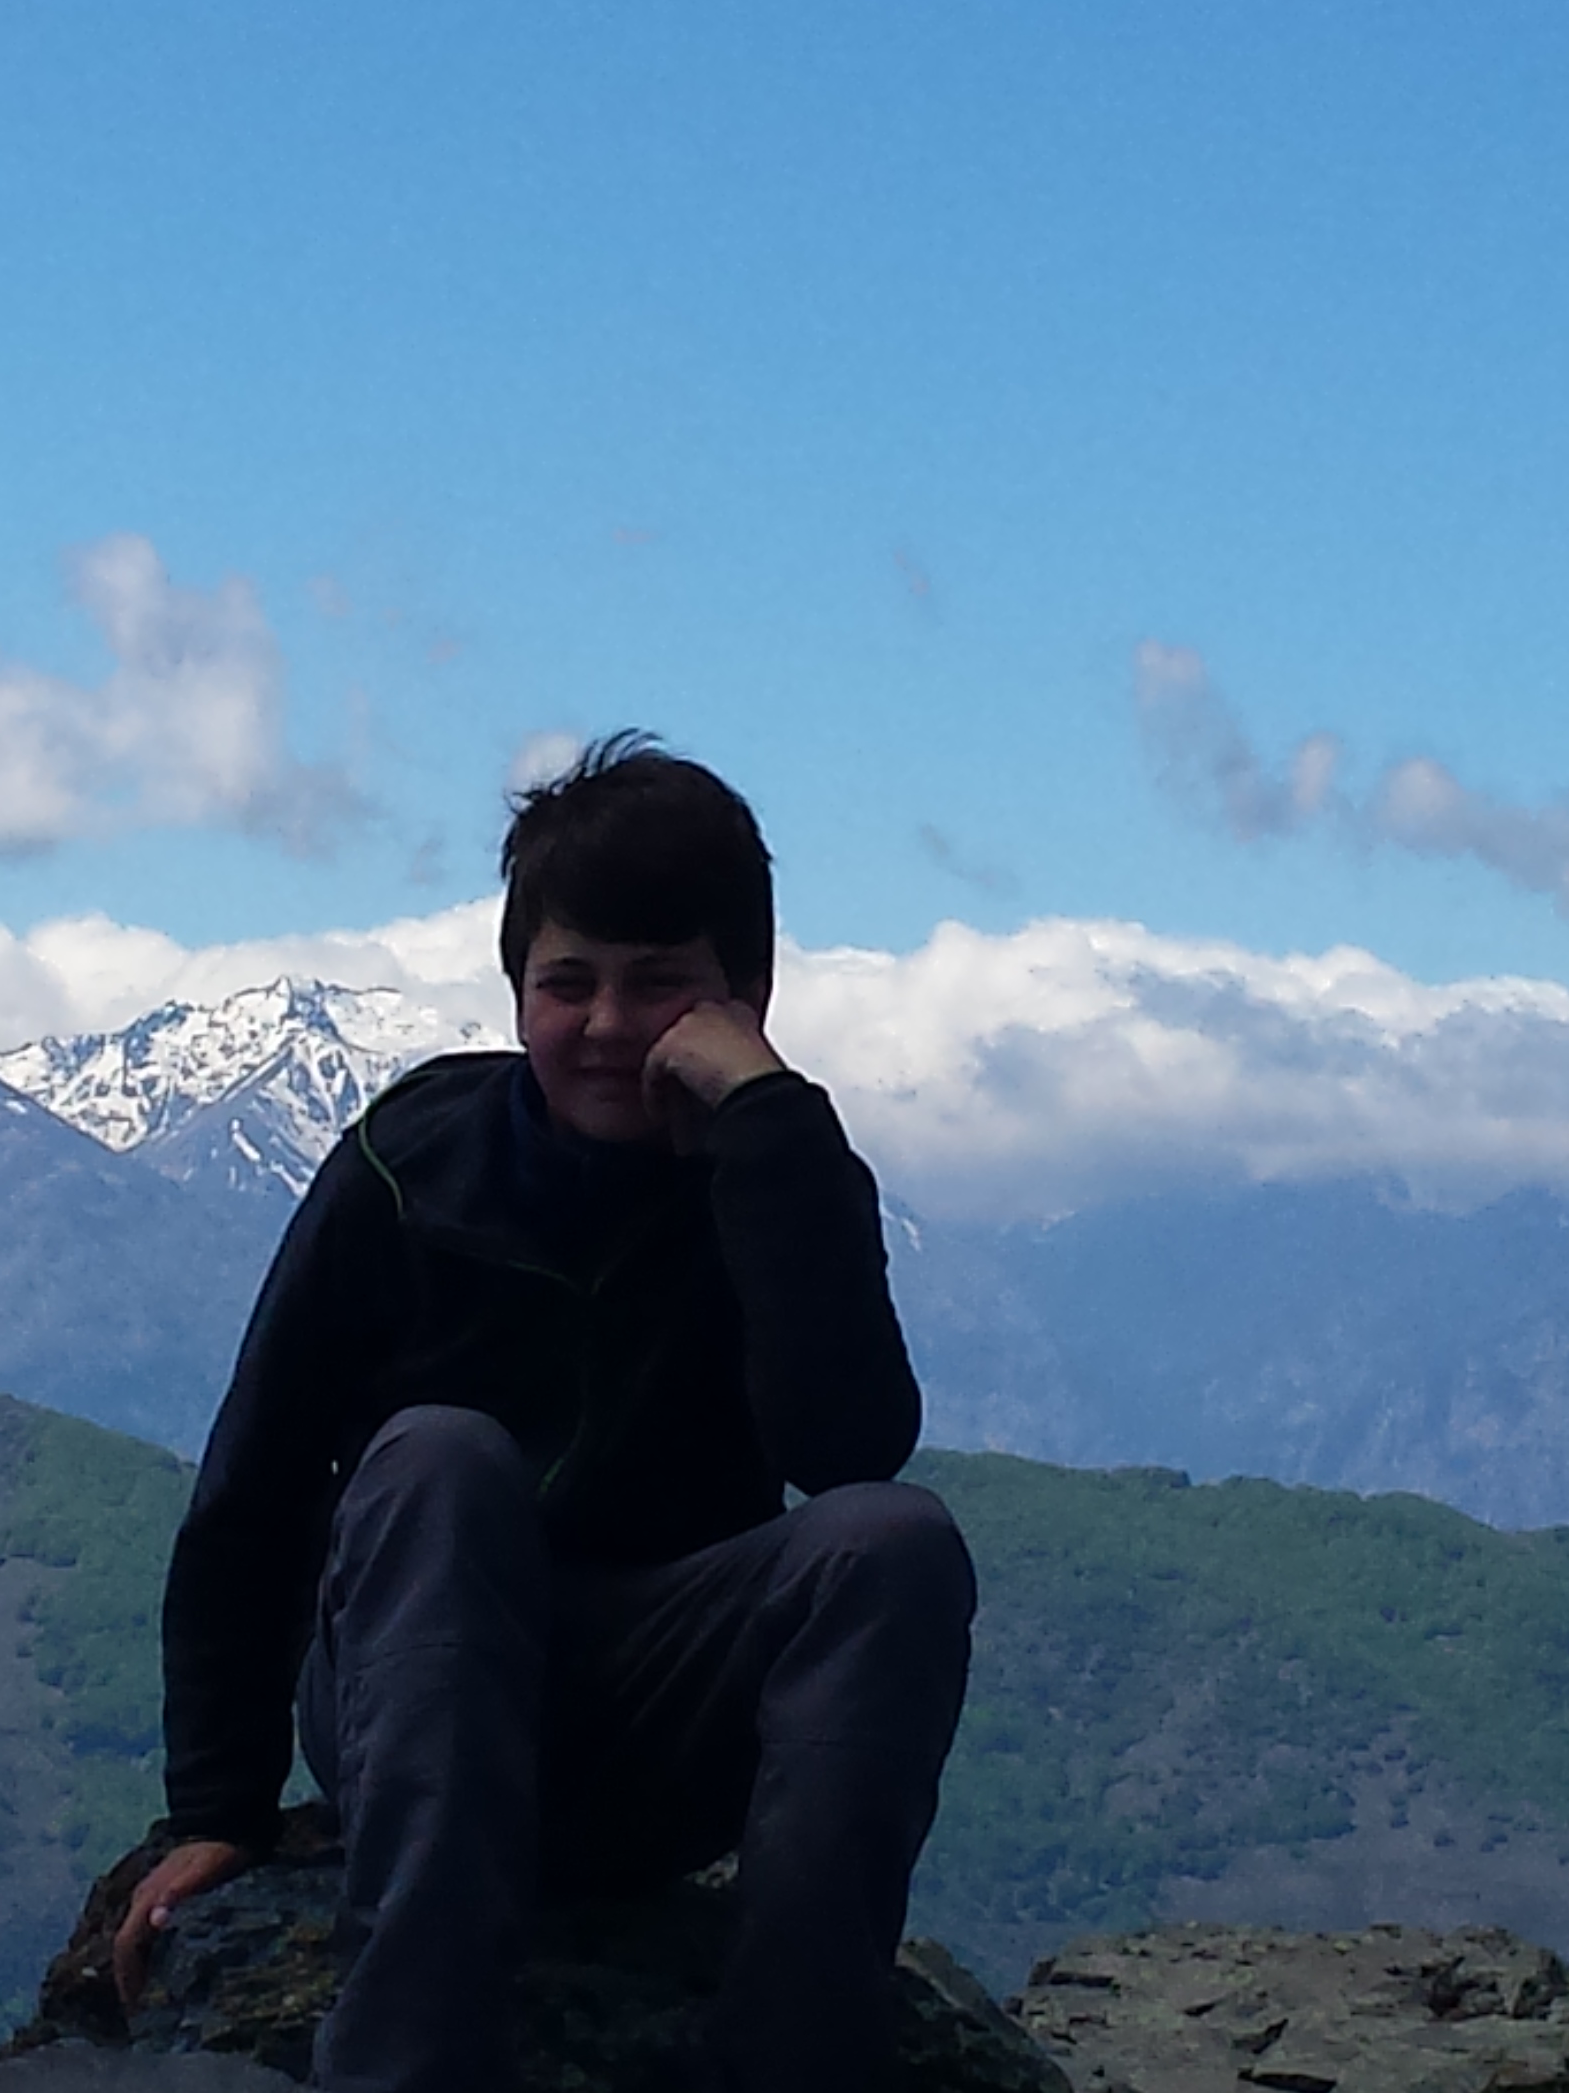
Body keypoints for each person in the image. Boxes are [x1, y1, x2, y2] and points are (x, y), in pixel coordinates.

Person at [108, 732, 977, 2093]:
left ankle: (793, 2064)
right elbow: (255, 1486)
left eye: (660, 983)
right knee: (439, 1457)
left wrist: (766, 1131)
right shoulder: (409, 1166)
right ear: (517, 990)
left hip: (658, 1724)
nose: (609, 1025)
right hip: (410, 1704)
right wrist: (217, 1809)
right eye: (568, 983)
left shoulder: (776, 1169)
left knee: (896, 1542)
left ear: (744, 996)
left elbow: (848, 1448)